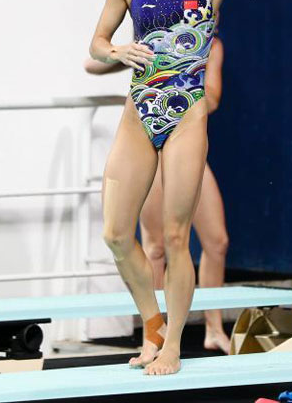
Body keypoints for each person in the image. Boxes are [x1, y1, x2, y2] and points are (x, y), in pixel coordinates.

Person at [88, 0, 292, 375]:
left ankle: (174, 345)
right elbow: (97, 42)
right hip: (140, 114)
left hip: (187, 117)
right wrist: (116, 50)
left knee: (177, 238)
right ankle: (153, 326)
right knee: (116, 234)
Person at [83, 29, 231, 354]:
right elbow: (91, 64)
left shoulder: (211, 45)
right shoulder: (152, 39)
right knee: (155, 246)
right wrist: (124, 54)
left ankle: (214, 327)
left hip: (185, 143)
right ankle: (155, 333)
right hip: (150, 146)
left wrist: (181, 77)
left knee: (217, 241)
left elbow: (213, 97)